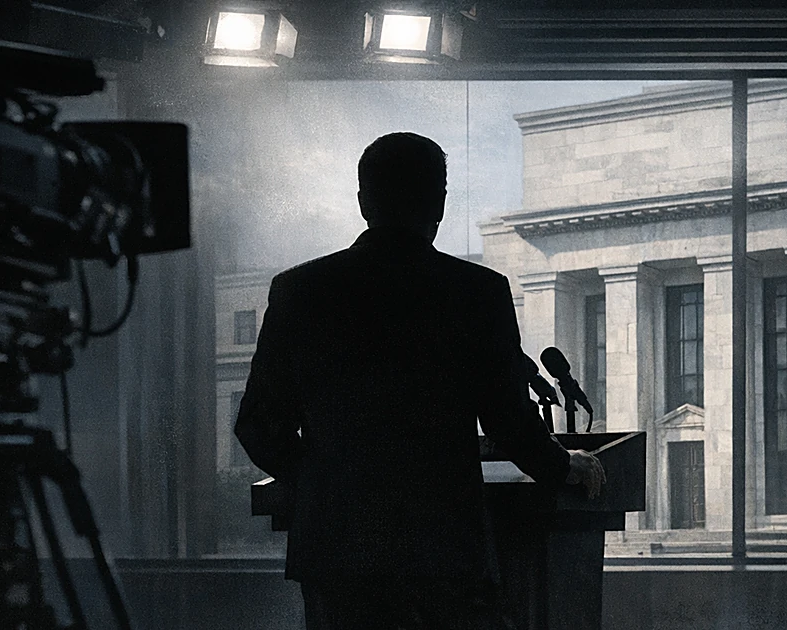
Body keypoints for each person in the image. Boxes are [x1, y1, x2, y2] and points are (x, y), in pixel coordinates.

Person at [234, 132, 606, 630]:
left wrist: (327, 483)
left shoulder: (299, 291)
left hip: (339, 555)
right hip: (443, 553)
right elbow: (509, 423)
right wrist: (565, 466)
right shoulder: (477, 293)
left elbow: (257, 425)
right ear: (440, 203)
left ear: (364, 201)